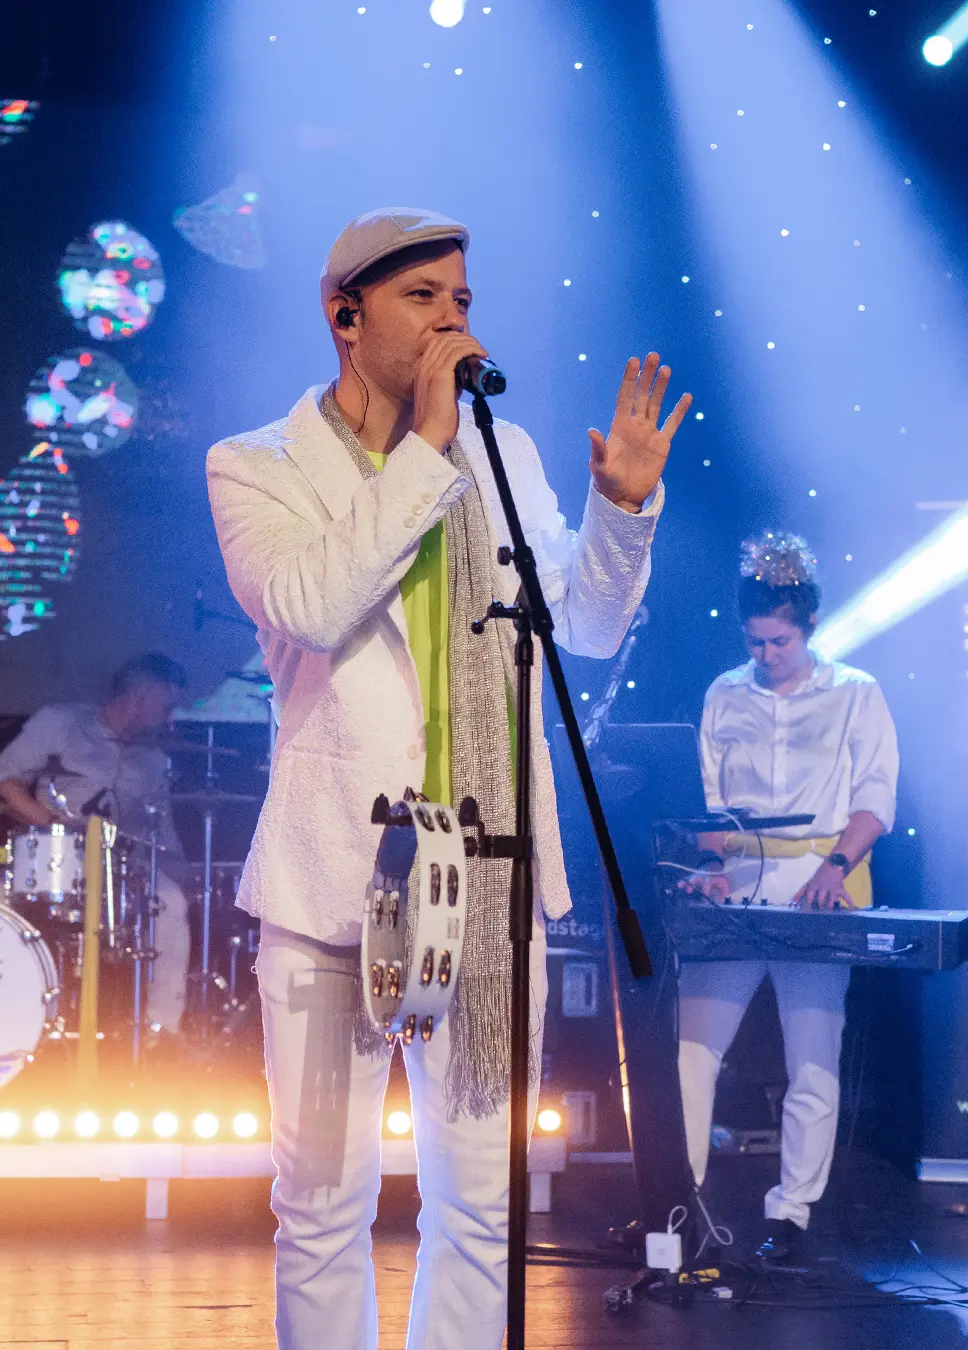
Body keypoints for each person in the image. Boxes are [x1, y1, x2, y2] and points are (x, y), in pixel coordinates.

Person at [206, 205, 691, 1349]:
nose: (451, 320)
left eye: (462, 300)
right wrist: (425, 449)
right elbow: (316, 602)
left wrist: (622, 510)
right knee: (321, 1205)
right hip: (337, 880)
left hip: (487, 874)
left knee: (480, 1206)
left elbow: (586, 629)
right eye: (422, 297)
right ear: (346, 316)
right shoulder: (256, 465)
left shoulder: (503, 456)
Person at [677, 531, 899, 1262]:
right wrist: (712, 866)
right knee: (691, 1052)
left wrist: (836, 866)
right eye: (756, 642)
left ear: (808, 627)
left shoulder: (855, 693)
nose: (767, 654)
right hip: (738, 890)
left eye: (780, 641)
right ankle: (680, 1201)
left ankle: (793, 1212)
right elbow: (710, 802)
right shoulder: (723, 693)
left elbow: (876, 799)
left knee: (813, 1057)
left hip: (817, 890)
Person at [0, 652, 191, 1040]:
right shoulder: (61, 723)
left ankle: (162, 1030)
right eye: (167, 706)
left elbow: (162, 835)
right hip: (51, 858)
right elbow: (1, 781)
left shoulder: (155, 761)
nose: (170, 719)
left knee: (171, 901)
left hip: (121, 869)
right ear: (144, 694)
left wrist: (190, 875)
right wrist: (54, 827)